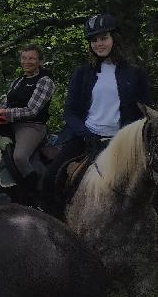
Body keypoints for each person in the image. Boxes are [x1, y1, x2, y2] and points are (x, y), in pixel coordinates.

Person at [42, 14, 152, 215]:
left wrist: (129, 136)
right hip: (87, 138)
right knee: (50, 178)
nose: (98, 44)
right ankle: (56, 226)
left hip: (124, 142)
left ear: (114, 39)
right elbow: (71, 111)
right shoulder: (82, 73)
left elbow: (146, 110)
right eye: (94, 40)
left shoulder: (136, 73)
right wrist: (85, 134)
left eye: (103, 38)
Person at [0, 44, 54, 187]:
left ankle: (33, 190)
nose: (27, 61)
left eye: (32, 58)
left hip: (31, 126)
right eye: (24, 58)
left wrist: (5, 113)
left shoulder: (45, 81)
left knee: (20, 157)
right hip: (10, 121)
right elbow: (6, 102)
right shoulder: (19, 80)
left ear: (39, 61)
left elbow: (32, 110)